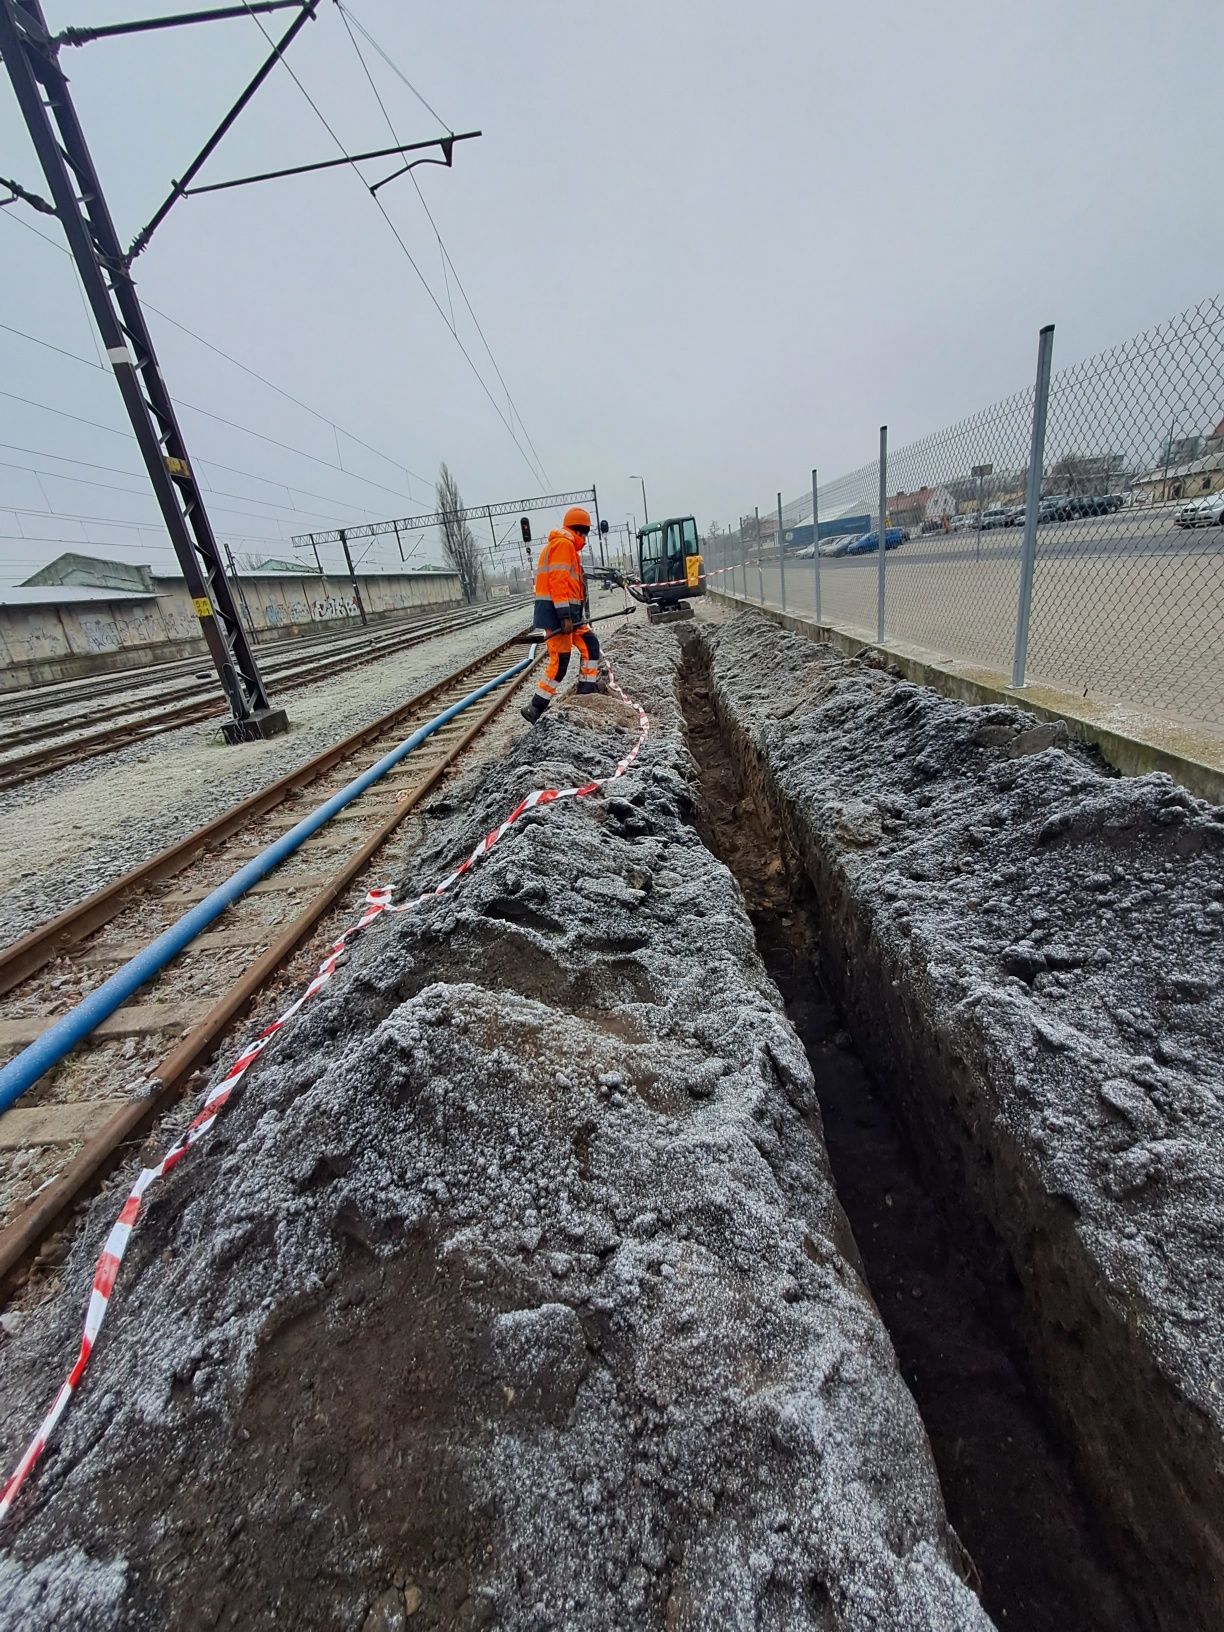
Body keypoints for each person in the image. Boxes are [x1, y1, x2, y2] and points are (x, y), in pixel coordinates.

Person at [520, 506, 602, 724]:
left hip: (570, 616)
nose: (585, 539)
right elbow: (558, 582)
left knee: (591, 646)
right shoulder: (564, 545)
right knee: (560, 662)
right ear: (580, 530)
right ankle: (535, 707)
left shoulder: (566, 547)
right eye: (585, 533)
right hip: (559, 617)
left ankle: (588, 693)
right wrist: (564, 615)